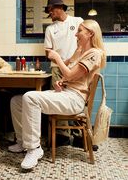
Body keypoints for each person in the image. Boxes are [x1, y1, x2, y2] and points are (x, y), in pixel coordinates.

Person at [8, 19, 106, 170]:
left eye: (79, 31)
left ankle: (34, 148)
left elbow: (71, 75)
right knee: (17, 101)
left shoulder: (94, 54)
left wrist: (57, 58)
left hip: (75, 99)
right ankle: (23, 142)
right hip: (66, 93)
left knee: (30, 97)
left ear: (90, 33)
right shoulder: (79, 50)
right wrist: (61, 82)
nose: (76, 34)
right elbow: (68, 76)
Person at [44, 0, 84, 144]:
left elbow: (84, 44)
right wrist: (61, 63)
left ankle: (79, 136)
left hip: (77, 67)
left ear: (59, 7)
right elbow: (48, 53)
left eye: (51, 10)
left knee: (76, 98)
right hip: (57, 70)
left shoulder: (77, 21)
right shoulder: (50, 29)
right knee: (58, 100)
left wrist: (70, 62)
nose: (50, 14)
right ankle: (61, 136)